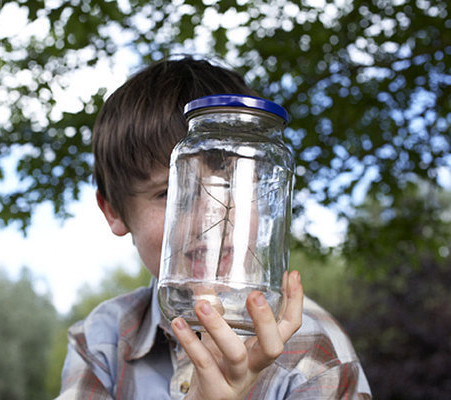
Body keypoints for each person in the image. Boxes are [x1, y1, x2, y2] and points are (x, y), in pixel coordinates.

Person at [57, 56, 372, 399]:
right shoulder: (100, 342)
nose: (210, 221)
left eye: (234, 187)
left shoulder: (316, 354)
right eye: (169, 193)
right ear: (114, 211)